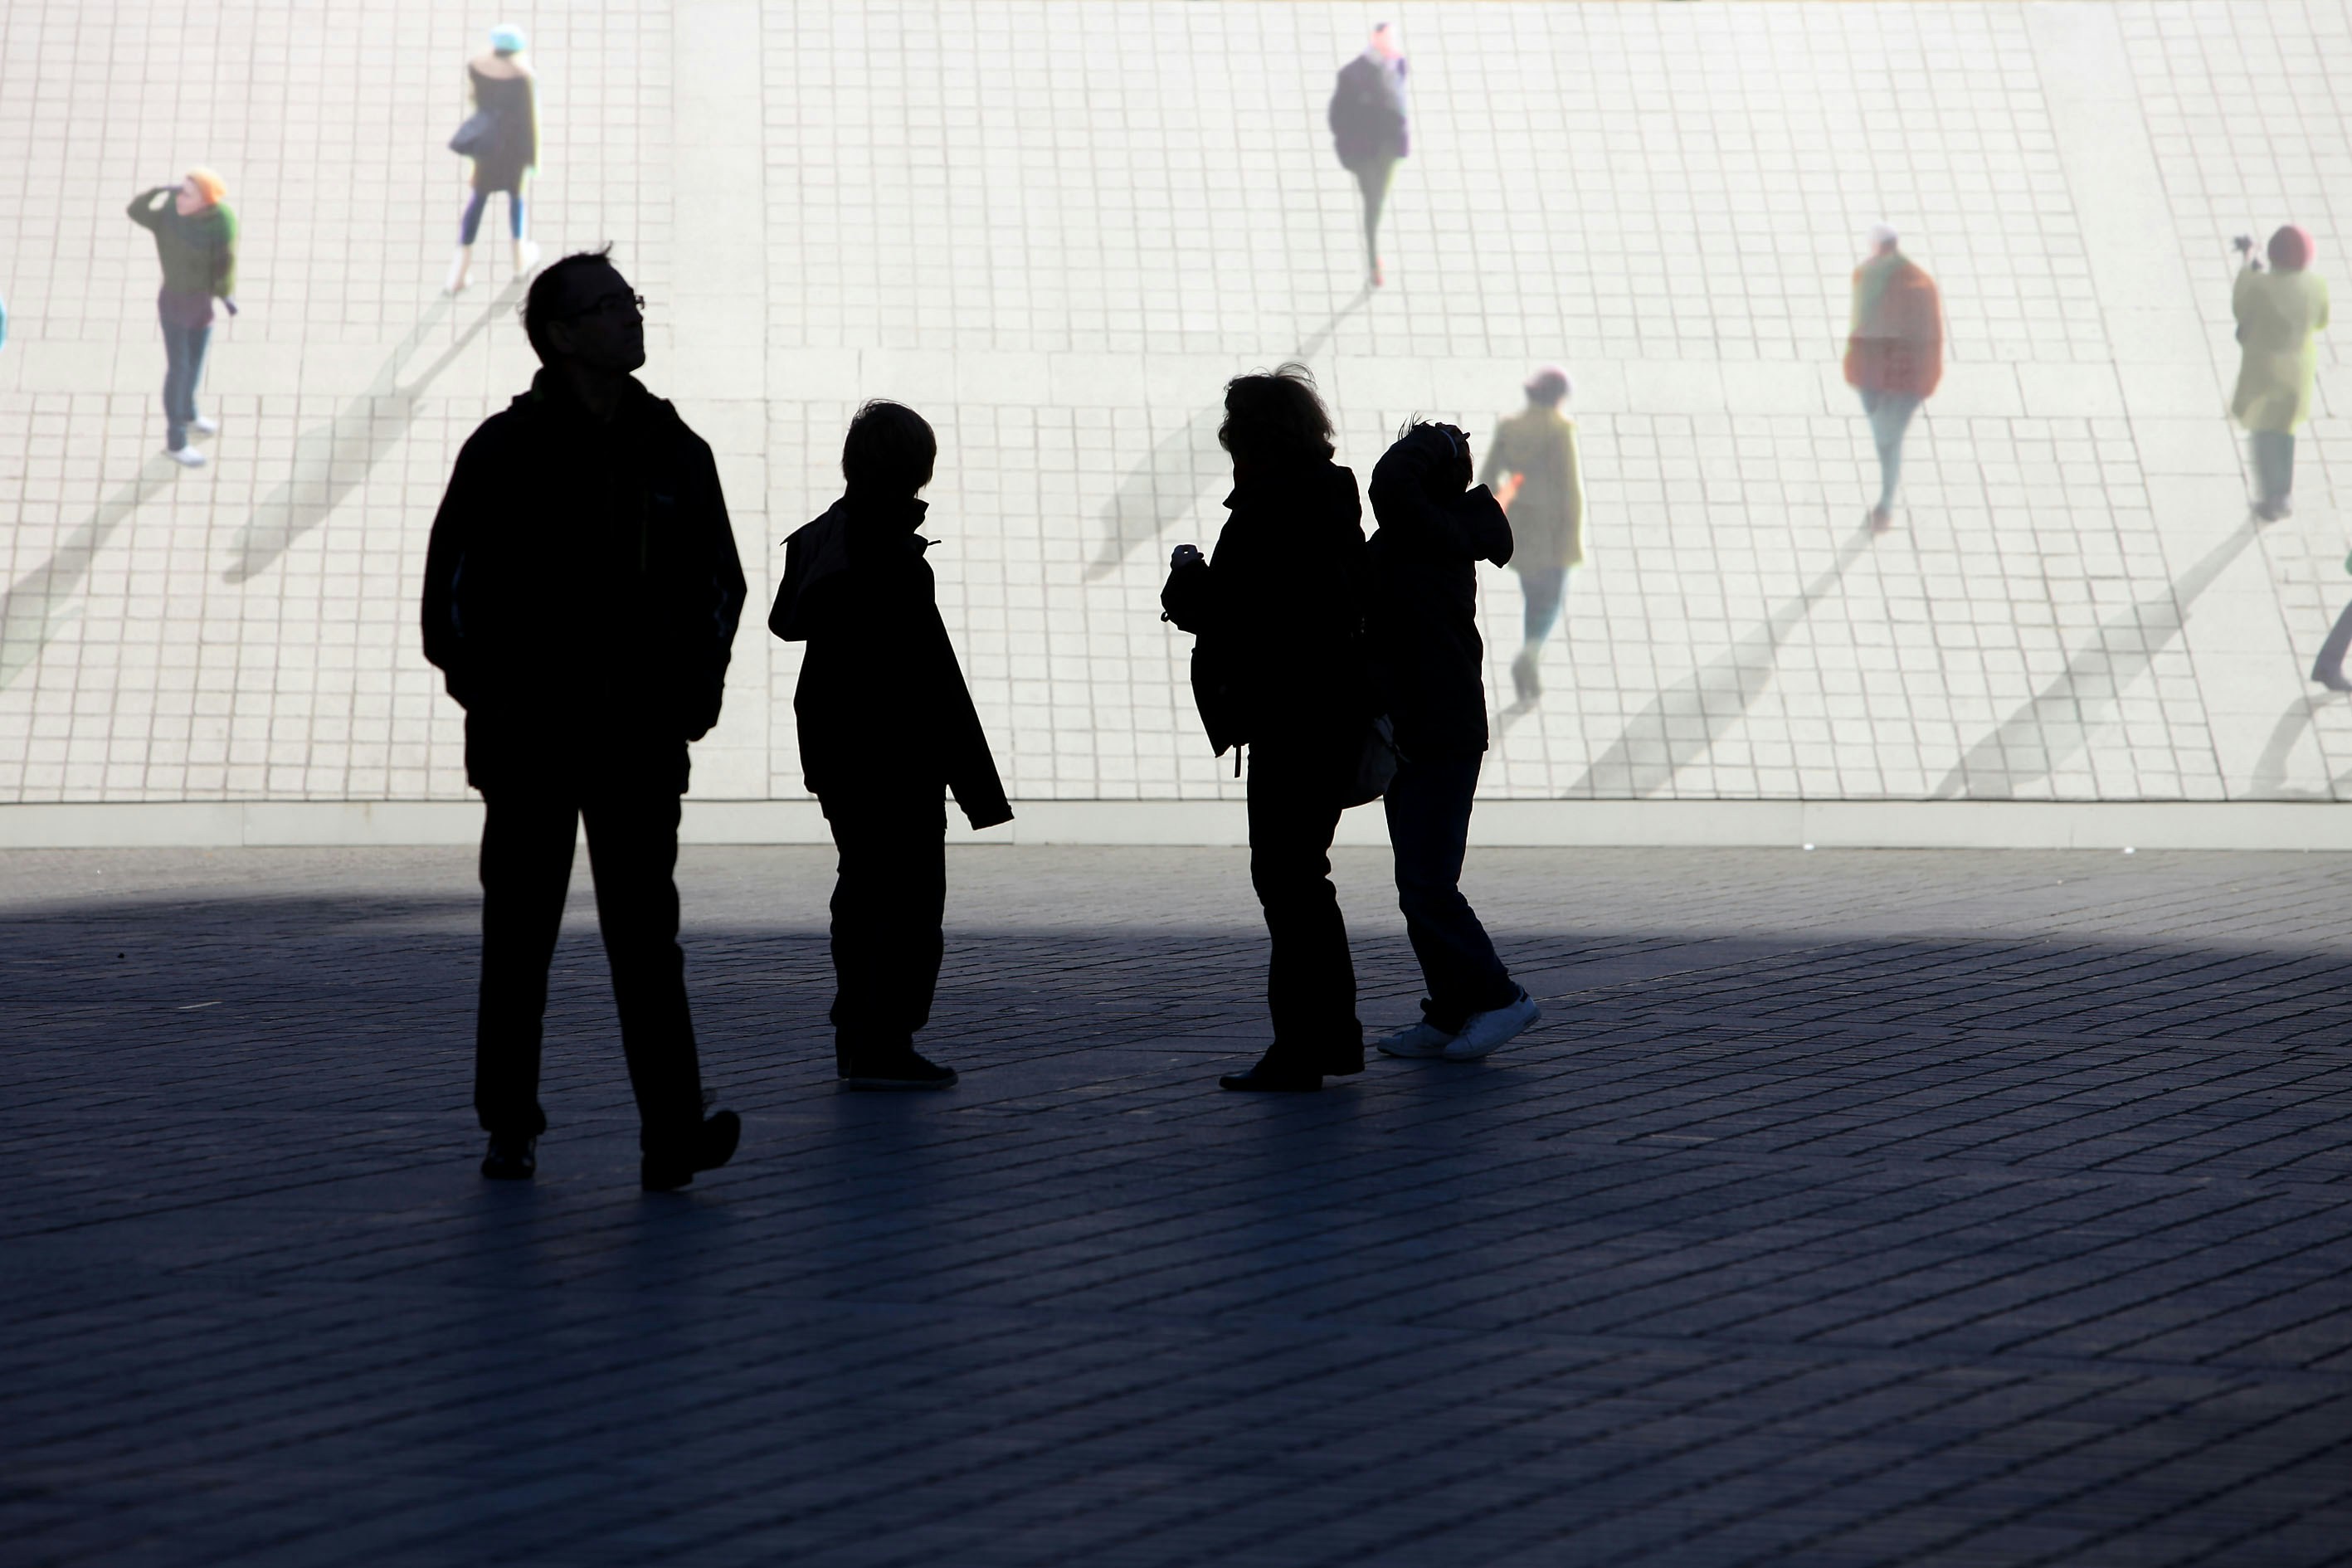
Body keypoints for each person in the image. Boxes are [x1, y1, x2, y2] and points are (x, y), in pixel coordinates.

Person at [421, 246, 747, 1191]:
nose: (632, 317)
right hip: (530, 741)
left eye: (631, 301)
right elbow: (451, 594)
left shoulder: (676, 450)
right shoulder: (504, 451)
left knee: (647, 942)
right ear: (560, 334)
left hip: (640, 741)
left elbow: (719, 583)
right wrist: (499, 696)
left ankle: (672, 1134)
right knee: (519, 939)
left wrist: (690, 698)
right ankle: (510, 1126)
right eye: (610, 306)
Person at [770, 402, 1013, 1090]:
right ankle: (885, 1042)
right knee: (907, 903)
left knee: (861, 890)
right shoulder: (888, 554)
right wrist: (974, 782)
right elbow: (928, 675)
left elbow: (791, 624)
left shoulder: (824, 540)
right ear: (916, 469)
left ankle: (860, 1037)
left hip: (835, 742)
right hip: (895, 750)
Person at [1161, 365, 1370, 1091]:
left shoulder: (1268, 512)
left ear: (1253, 442)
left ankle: (1301, 1048)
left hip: (1290, 718)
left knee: (1286, 881)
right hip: (1331, 712)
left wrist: (1188, 582)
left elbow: (1241, 616)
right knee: (1304, 879)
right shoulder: (1331, 502)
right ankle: (1330, 1040)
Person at [1366, 421, 1542, 1062]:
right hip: (1417, 731)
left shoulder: (1430, 529)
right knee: (1418, 883)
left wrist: (1435, 439)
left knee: (1429, 884)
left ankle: (1500, 998)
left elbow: (1386, 484)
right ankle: (1449, 1010)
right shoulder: (1425, 532)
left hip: (1438, 732)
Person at [1478, 365, 1585, 701]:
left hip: (1521, 530)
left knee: (1533, 597)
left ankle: (1530, 658)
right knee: (1551, 600)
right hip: (1555, 531)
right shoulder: (1560, 430)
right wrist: (1573, 536)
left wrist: (1505, 509)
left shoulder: (1510, 428)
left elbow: (1487, 477)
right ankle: (1530, 655)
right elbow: (1570, 488)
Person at [126, 170, 238, 468]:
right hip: (175, 305)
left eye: (187, 193)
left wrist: (224, 293)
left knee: (196, 363)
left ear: (205, 201)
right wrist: (157, 190)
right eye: (179, 190)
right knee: (179, 369)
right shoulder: (168, 215)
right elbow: (135, 211)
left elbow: (225, 260)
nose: (179, 197)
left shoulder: (221, 220)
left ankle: (189, 413)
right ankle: (176, 441)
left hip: (201, 305)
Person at [1843, 224, 1942, 532]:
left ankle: (1885, 507)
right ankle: (1884, 504)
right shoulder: (1866, 276)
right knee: (1885, 439)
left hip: (1896, 381)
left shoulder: (1914, 286)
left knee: (1888, 441)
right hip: (1873, 375)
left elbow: (1925, 339)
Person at [2233, 226, 2330, 523]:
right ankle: (2284, 492)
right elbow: (2322, 321)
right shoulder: (2316, 285)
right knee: (2285, 434)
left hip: (2265, 372)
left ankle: (2269, 497)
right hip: (2298, 372)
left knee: (2262, 432)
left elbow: (2241, 306)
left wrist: (2249, 261)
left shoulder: (2261, 287)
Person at [445, 23, 540, 295]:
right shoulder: (523, 77)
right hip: (512, 149)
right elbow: (528, 120)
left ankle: (459, 272)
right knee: (516, 199)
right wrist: (531, 158)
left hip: (486, 147)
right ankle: (520, 260)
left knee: (478, 200)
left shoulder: (477, 66)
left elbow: (476, 99)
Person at [1328, 24, 1409, 288]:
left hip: (1390, 149)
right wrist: (1350, 149)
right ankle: (1374, 261)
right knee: (1373, 204)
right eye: (1386, 40)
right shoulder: (1352, 75)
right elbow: (1336, 117)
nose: (1391, 46)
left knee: (1379, 200)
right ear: (1375, 41)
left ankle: (1374, 252)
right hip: (1365, 154)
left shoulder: (1398, 64)